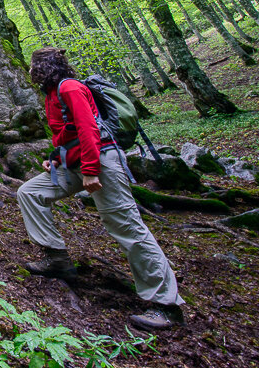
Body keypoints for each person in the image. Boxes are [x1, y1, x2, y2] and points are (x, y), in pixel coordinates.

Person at [16, 47, 185, 331]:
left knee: (126, 226)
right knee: (30, 193)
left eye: (34, 67)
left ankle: (167, 306)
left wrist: (92, 172)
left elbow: (89, 130)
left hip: (101, 163)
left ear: (45, 68)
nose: (31, 72)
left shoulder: (69, 88)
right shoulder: (52, 94)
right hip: (73, 164)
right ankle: (57, 258)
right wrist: (56, 159)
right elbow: (66, 134)